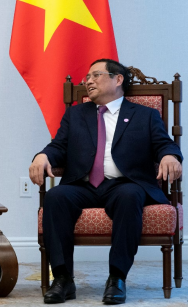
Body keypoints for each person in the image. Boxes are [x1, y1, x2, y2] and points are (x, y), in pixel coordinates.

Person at [29, 59, 182, 305]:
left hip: (123, 185)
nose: (88, 81)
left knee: (130, 195)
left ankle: (117, 278)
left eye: (95, 75)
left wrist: (169, 155)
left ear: (117, 79)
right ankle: (63, 278)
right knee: (56, 196)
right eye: (86, 78)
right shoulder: (76, 114)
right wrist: (42, 155)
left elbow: (164, 144)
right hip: (82, 185)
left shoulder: (145, 115)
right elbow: (59, 146)